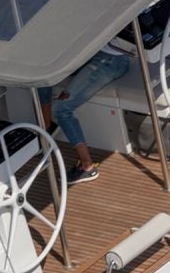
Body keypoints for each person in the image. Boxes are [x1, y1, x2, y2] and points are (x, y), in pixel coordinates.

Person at [39, 44, 131, 184]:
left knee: (61, 108)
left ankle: (87, 166)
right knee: (41, 70)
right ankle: (47, 128)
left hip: (111, 59)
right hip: (88, 51)